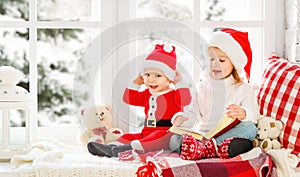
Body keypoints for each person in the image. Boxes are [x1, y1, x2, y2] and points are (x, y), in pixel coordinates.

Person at [87, 43, 192, 157]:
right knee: (128, 137)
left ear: (170, 78)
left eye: (158, 76)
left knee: (154, 137)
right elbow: (128, 98)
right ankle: (111, 147)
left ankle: (121, 150)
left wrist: (180, 82)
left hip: (165, 135)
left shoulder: (173, 94)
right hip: (145, 133)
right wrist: (136, 82)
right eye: (147, 75)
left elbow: (185, 100)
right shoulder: (147, 94)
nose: (151, 79)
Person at [170, 28, 259, 160]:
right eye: (211, 59)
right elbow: (194, 113)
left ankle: (207, 148)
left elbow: (254, 116)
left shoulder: (243, 88)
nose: (215, 64)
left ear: (233, 64)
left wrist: (244, 113)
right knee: (174, 139)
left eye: (221, 60)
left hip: (228, 134)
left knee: (250, 129)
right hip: (204, 134)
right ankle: (209, 148)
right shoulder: (202, 87)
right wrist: (183, 118)